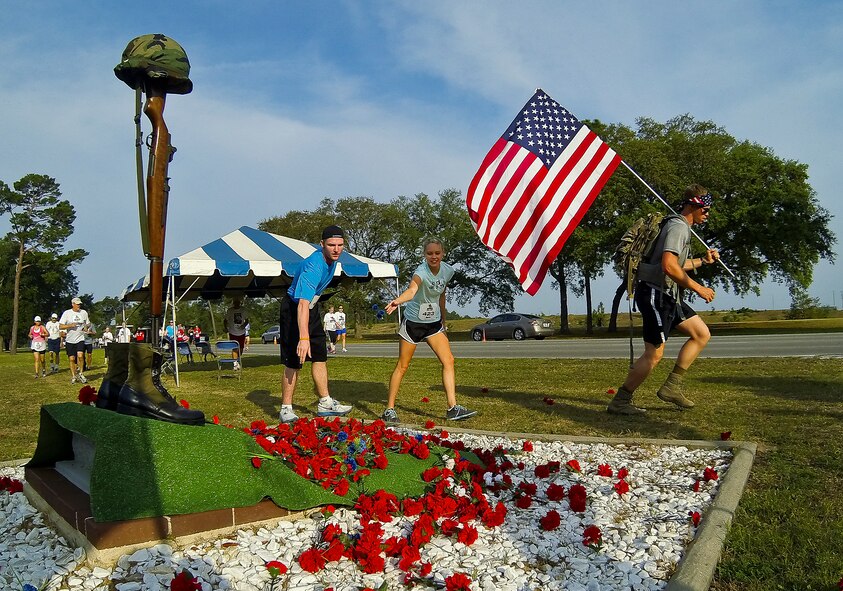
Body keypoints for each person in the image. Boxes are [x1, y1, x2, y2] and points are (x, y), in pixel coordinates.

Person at [607, 184, 720, 415]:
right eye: (705, 209)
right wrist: (698, 288)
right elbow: (669, 267)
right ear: (693, 206)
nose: (707, 214)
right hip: (655, 296)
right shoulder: (679, 227)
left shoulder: (678, 226)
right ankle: (620, 401)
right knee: (654, 353)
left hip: (668, 295)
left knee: (701, 334)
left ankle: (672, 387)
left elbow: (674, 265)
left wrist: (702, 261)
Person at [383, 237, 477, 423]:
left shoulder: (447, 270)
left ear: (442, 253)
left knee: (448, 360)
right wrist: (398, 300)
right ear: (424, 255)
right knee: (403, 366)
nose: (433, 256)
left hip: (433, 324)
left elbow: (441, 293)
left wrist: (443, 318)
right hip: (413, 324)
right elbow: (412, 290)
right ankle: (389, 409)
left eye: (437, 253)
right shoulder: (421, 272)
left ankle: (452, 407)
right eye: (429, 253)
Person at [278, 225, 354, 423]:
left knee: (319, 355)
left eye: (340, 245)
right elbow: (302, 304)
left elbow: (309, 303)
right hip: (294, 309)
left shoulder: (333, 261)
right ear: (322, 245)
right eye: (331, 245)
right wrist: (303, 338)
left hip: (311, 309)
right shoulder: (314, 265)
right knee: (295, 359)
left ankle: (325, 402)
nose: (336, 249)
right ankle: (286, 408)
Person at [59, 297, 90, 384]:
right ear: (73, 304)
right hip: (70, 340)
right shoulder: (67, 313)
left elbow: (88, 323)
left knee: (80, 356)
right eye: (77, 304)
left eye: (79, 304)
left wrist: (86, 327)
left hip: (80, 338)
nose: (79, 306)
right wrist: (70, 325)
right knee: (72, 359)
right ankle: (73, 376)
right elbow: (61, 326)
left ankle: (81, 373)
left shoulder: (84, 313)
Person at [225, 297, 249, 369]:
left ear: (240, 303)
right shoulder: (230, 311)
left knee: (241, 348)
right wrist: (226, 328)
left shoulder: (243, 310)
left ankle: (238, 359)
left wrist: (243, 325)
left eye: (238, 303)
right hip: (232, 332)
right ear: (233, 303)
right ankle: (235, 363)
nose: (236, 304)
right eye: (235, 303)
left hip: (241, 332)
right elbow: (225, 320)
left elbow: (247, 320)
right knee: (234, 348)